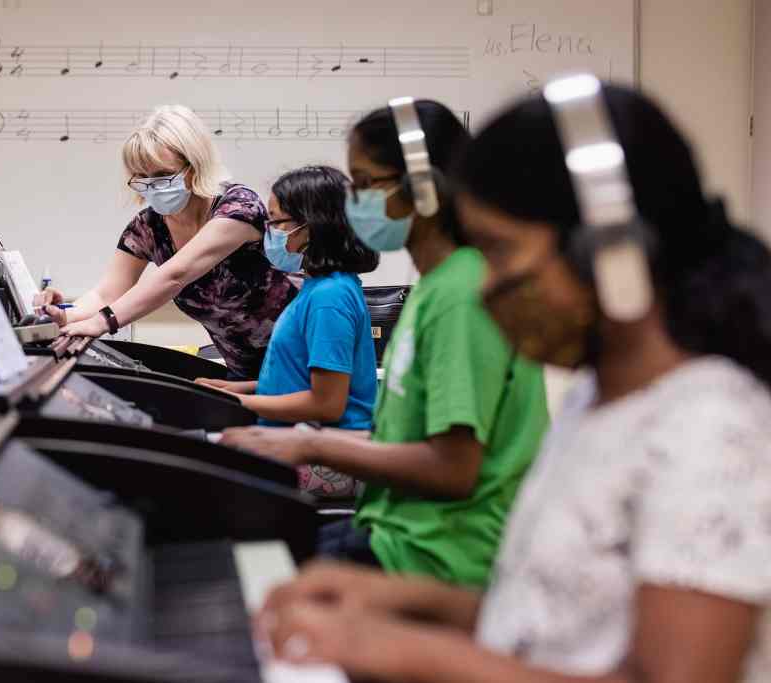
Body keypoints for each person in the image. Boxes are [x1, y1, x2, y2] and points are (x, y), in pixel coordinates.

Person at [256, 82, 771, 683]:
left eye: (499, 252)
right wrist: (412, 608)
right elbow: (549, 626)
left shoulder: (709, 426)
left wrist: (412, 650)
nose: (485, 283)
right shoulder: (596, 396)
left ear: (610, 251)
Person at [222, 100, 549, 583]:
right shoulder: (435, 287)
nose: (354, 203)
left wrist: (312, 447)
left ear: (425, 188)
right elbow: (403, 440)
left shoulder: (463, 295)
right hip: (399, 528)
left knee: (246, 571)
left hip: (439, 553)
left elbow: (453, 467)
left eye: (366, 184)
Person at [35, 105, 296, 379]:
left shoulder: (239, 207)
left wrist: (103, 322)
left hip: (302, 359)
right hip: (246, 371)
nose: (152, 186)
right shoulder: (148, 227)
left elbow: (176, 275)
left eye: (162, 175)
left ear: (194, 166)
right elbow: (106, 294)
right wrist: (65, 316)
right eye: (142, 177)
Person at [198, 165, 379, 497]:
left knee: (196, 470)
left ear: (313, 226)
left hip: (330, 456)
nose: (268, 231)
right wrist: (241, 387)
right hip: (303, 438)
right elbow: (301, 377)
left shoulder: (330, 297)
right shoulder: (317, 288)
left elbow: (327, 404)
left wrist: (239, 402)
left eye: (277, 221)